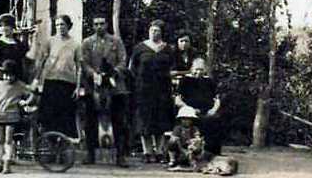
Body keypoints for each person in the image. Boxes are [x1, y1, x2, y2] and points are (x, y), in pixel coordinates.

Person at [80, 16, 130, 167]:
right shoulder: (87, 42)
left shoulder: (116, 41)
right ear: (93, 26)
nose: (99, 26)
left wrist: (113, 72)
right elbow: (84, 62)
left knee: (119, 121)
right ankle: (90, 154)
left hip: (115, 86)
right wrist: (94, 74)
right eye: (96, 24)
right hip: (93, 86)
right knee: (90, 121)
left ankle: (120, 156)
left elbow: (123, 60)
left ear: (107, 24)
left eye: (102, 23)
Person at [129, 19, 176, 163]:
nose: (153, 33)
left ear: (162, 33)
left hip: (162, 90)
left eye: (157, 31)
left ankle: (160, 151)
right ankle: (147, 151)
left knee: (160, 120)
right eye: (151, 30)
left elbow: (172, 69)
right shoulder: (140, 48)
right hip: (143, 90)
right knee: (145, 121)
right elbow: (132, 68)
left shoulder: (168, 49)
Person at [33, 14, 82, 138]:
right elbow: (41, 62)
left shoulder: (75, 44)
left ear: (69, 26)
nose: (60, 27)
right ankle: (49, 144)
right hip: (51, 82)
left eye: (62, 24)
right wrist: (37, 81)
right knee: (49, 116)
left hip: (68, 84)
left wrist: (78, 87)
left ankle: (64, 146)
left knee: (65, 116)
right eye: (57, 25)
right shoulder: (50, 41)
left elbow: (79, 67)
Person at [0, 60, 32, 174]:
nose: (8, 77)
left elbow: (32, 93)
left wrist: (25, 102)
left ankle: (7, 163)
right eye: (6, 74)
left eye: (11, 75)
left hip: (12, 116)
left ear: (15, 75)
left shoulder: (20, 85)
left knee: (8, 140)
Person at [175, 57, 224, 155]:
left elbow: (217, 99)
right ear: (192, 69)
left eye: (201, 69)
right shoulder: (185, 81)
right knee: (199, 120)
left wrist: (214, 109)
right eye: (196, 69)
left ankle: (212, 152)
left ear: (205, 70)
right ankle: (193, 152)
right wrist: (189, 110)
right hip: (189, 112)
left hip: (207, 110)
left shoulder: (209, 81)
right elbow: (177, 100)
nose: (198, 72)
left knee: (214, 120)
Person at [166, 105, 203, 170]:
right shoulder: (177, 128)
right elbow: (175, 139)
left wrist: (193, 143)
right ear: (180, 119)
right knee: (172, 141)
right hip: (179, 149)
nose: (186, 121)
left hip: (191, 149)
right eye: (184, 118)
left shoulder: (194, 128)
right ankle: (172, 160)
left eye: (188, 119)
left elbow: (197, 137)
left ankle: (195, 160)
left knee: (199, 143)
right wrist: (182, 150)